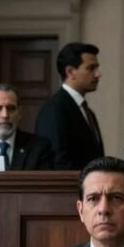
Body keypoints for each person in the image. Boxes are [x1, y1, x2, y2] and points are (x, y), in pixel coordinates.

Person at [35, 42, 104, 170]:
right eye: (91, 68)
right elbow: (58, 163)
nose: (97, 74)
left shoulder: (87, 111)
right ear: (70, 71)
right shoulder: (55, 109)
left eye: (97, 68)